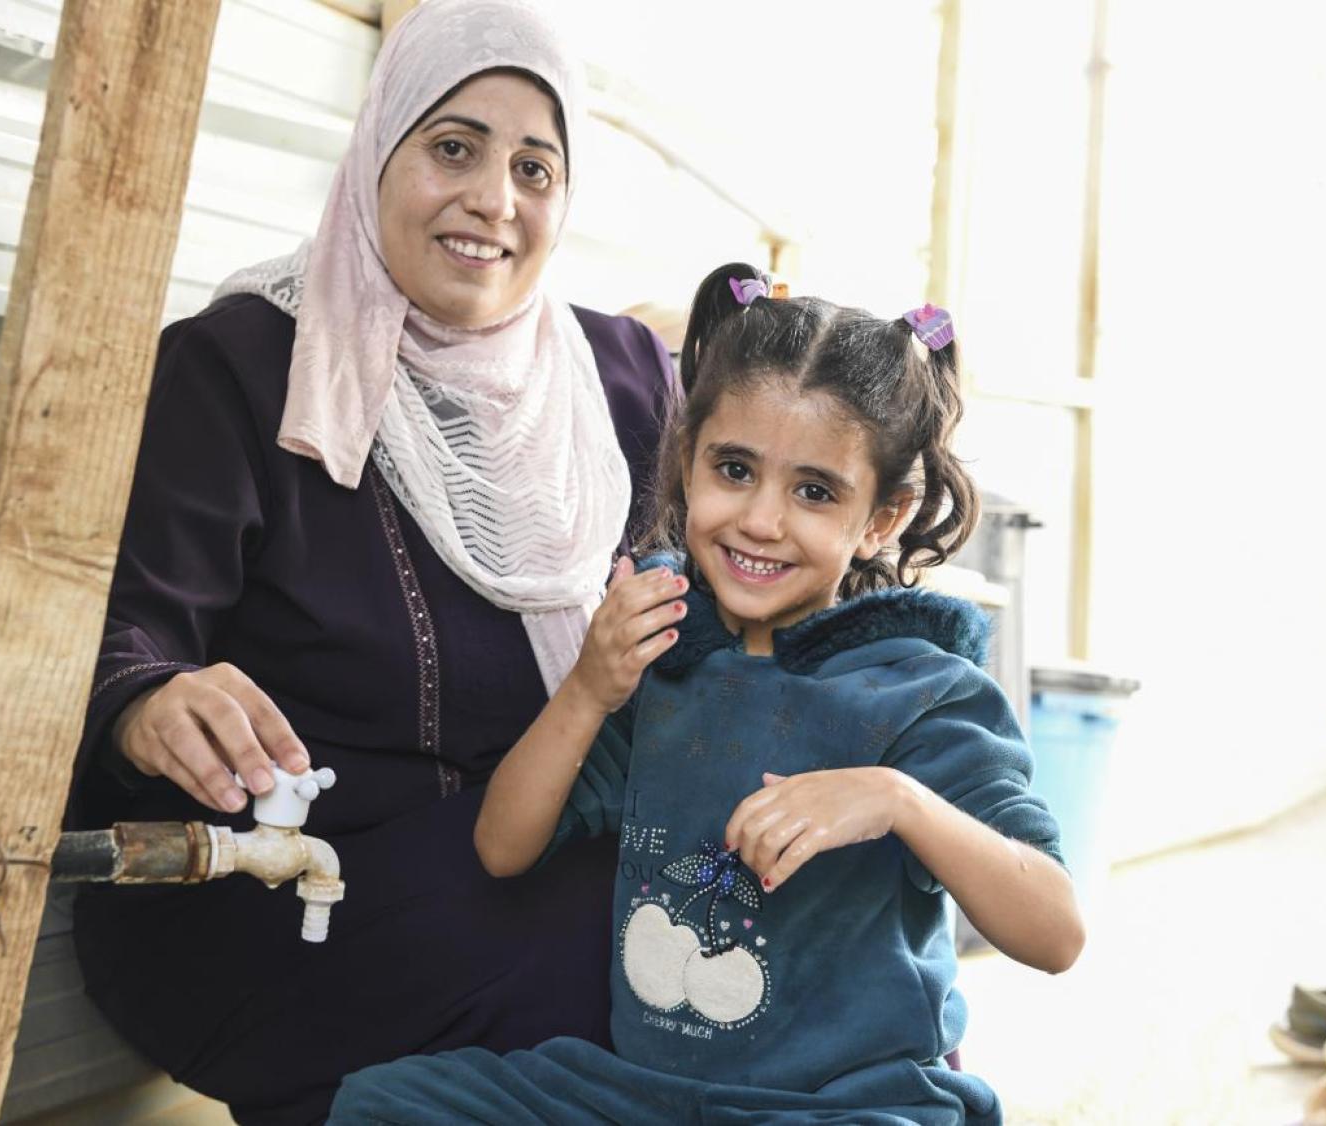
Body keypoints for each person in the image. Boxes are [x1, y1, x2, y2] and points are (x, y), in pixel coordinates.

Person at [64, 2, 677, 1121]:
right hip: (283, 890)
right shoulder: (245, 365)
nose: (493, 200)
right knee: (633, 986)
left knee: (758, 952)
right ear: (376, 149)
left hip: (528, 848)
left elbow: (729, 562)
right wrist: (150, 700)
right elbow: (124, 623)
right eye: (452, 148)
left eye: (534, 168)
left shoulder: (618, 379)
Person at [331, 263, 1086, 1125]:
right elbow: (503, 846)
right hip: (645, 1097)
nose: (761, 519)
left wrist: (895, 800)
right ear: (688, 465)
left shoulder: (923, 692)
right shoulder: (666, 663)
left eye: (813, 492)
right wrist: (587, 688)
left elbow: (1055, 931)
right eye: (734, 470)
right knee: (387, 1104)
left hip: (850, 1108)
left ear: (880, 519)